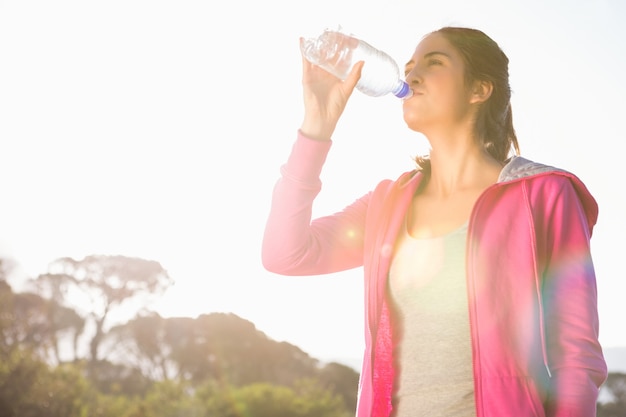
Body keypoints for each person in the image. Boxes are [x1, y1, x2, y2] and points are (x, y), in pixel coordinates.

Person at [262, 26, 607, 417]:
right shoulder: (386, 205)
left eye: (434, 63)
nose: (411, 76)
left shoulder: (543, 195)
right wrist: (316, 128)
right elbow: (284, 255)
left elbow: (575, 358)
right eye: (409, 67)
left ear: (480, 90)